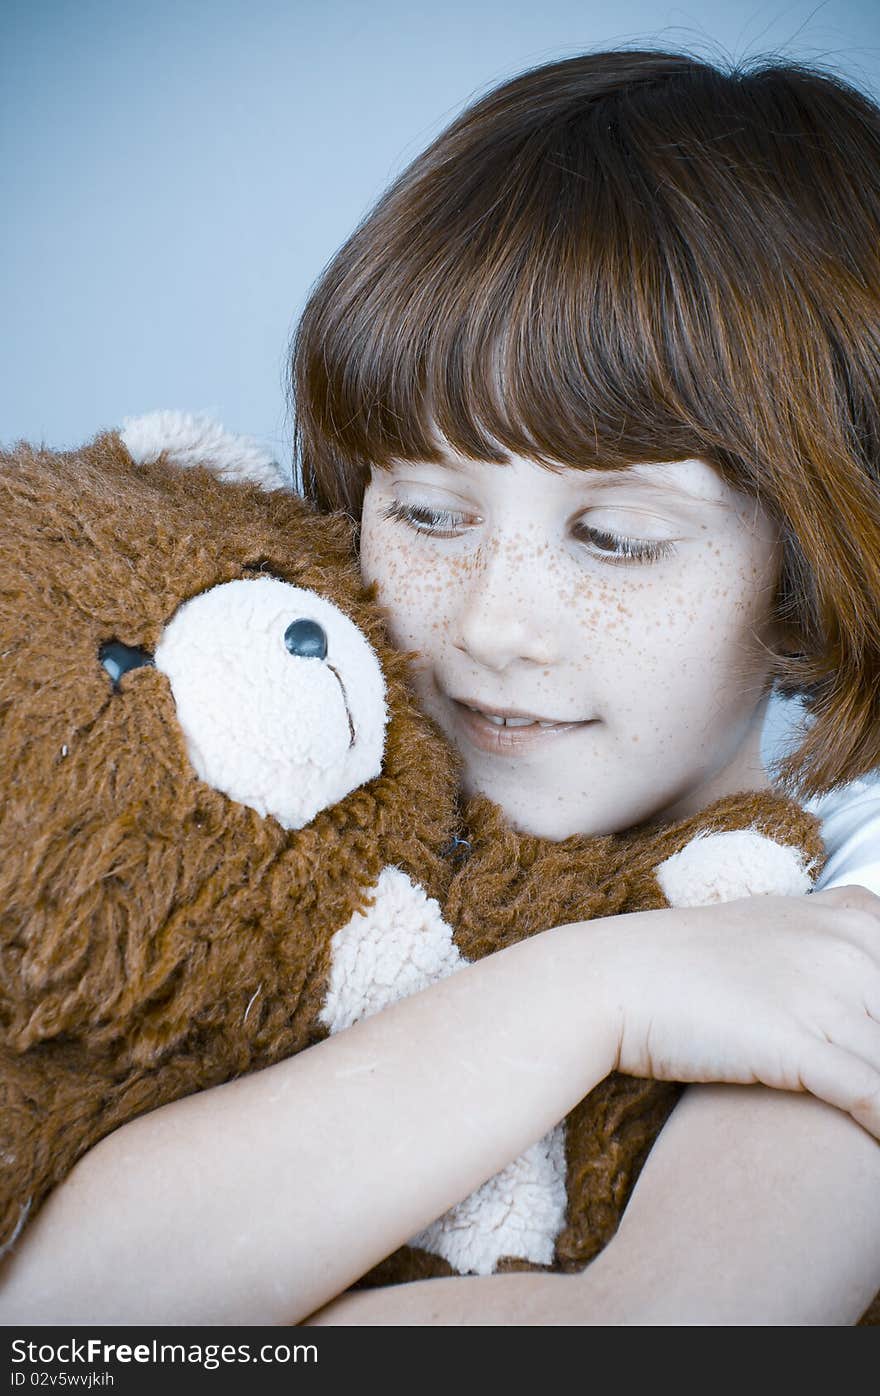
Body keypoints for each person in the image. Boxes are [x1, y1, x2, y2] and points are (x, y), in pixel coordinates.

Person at [1, 48, 880, 1327]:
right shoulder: (264, 819)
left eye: (615, 538)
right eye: (424, 512)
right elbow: (57, 1320)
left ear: (810, 563)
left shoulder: (851, 903)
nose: (492, 623)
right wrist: (599, 992)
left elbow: (674, 1332)